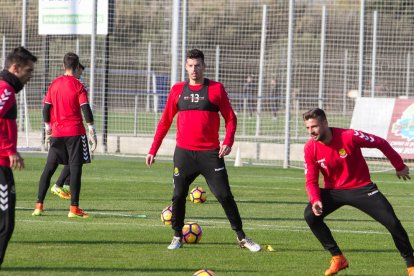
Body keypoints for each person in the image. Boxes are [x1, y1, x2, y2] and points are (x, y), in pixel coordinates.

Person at [146, 49, 261, 252]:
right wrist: (153, 149)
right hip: (184, 153)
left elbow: (231, 118)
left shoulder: (216, 89)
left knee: (224, 195)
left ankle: (242, 237)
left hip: (210, 154)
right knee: (178, 195)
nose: (194, 69)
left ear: (204, 67)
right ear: (186, 67)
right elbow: (165, 122)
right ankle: (176, 236)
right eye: (190, 65)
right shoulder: (177, 90)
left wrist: (228, 141)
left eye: (197, 65)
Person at [302, 108, 414, 276]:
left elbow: (380, 143)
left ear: (325, 123)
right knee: (310, 215)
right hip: (333, 191)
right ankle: (338, 258)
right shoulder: (310, 148)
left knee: (392, 223)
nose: (311, 131)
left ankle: (411, 266)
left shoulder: (349, 135)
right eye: (308, 128)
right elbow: (311, 180)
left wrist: (399, 165)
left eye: (315, 127)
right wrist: (316, 199)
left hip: (362, 188)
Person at [32, 53, 97, 218]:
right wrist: (92, 130)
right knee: (75, 169)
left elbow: (46, 109)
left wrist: (48, 128)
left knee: (48, 169)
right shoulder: (78, 85)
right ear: (76, 68)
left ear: (63, 66)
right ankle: (74, 209)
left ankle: (38, 206)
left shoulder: (54, 84)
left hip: (57, 133)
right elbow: (85, 109)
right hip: (75, 133)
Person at [0, 46, 37, 268]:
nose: (30, 76)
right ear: (15, 68)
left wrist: (13, 150)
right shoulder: (5, 90)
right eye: (28, 71)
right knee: (5, 223)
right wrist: (9, 150)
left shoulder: (6, 89)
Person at [48, 63, 86, 200]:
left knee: (74, 160)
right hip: (66, 129)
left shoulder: (59, 84)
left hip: (60, 129)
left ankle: (65, 185)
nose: (80, 75)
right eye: (79, 71)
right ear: (75, 69)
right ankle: (59, 185)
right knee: (75, 159)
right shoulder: (71, 85)